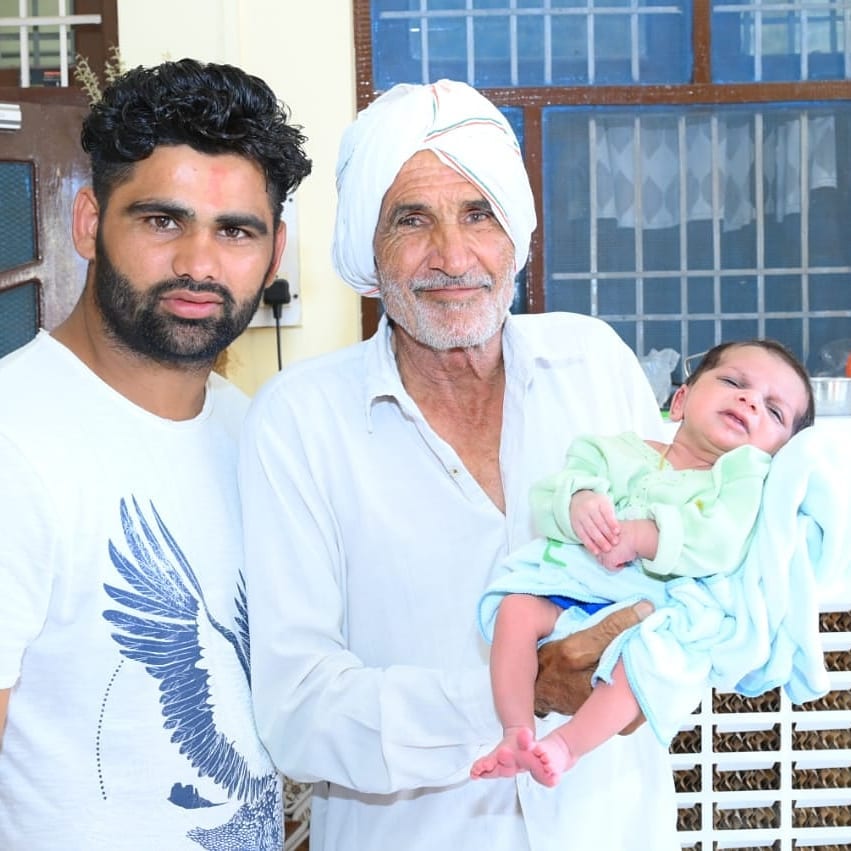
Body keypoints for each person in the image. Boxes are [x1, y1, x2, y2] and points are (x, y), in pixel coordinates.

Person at [240, 79, 678, 851]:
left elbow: (672, 581)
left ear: (515, 234)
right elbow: (297, 709)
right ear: (368, 252)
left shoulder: (593, 362)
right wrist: (519, 693)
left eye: (478, 214)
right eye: (412, 219)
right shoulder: (300, 419)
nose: (451, 256)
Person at [0, 58, 311, 849]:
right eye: (161, 220)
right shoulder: (15, 436)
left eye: (235, 231)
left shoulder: (260, 437)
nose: (199, 265)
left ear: (272, 256)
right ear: (87, 223)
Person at [471, 339, 815, 787]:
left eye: (774, 411)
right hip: (580, 583)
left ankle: (566, 746)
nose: (750, 400)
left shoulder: (739, 484)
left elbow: (720, 542)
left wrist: (643, 536)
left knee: (646, 661)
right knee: (516, 607)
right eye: (733, 382)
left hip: (656, 604)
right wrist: (579, 502)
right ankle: (516, 730)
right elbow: (554, 492)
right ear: (680, 401)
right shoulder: (614, 450)